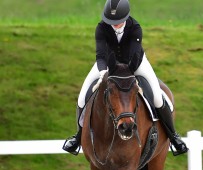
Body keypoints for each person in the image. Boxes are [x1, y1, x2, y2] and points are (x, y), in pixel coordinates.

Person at [62, 0, 188, 156]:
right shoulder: (101, 28)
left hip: (136, 63)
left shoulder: (135, 28)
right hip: (108, 63)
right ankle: (78, 137)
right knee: (82, 97)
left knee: (157, 97)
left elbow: (134, 56)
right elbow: (101, 55)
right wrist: (102, 72)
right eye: (111, 21)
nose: (114, 25)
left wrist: (128, 74)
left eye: (118, 21)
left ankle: (173, 137)